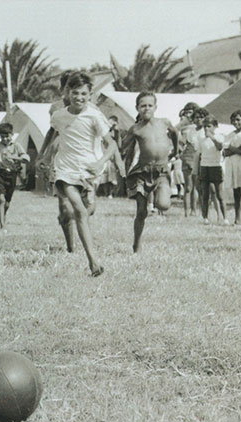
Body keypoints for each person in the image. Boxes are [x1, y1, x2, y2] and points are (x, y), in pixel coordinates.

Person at [38, 72, 115, 276]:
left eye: (83, 94)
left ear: (90, 95)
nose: (79, 98)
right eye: (75, 93)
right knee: (80, 211)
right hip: (65, 170)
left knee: (88, 209)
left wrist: (100, 161)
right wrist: (43, 156)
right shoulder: (59, 116)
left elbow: (112, 144)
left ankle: (88, 201)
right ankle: (94, 263)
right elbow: (52, 132)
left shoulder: (94, 116)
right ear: (67, 93)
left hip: (88, 171)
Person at [120, 92, 178, 253]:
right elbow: (124, 148)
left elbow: (175, 134)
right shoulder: (135, 129)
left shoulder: (164, 123)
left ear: (155, 107)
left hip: (161, 172)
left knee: (163, 205)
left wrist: (176, 151)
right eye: (143, 106)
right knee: (141, 211)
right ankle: (136, 244)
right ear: (137, 108)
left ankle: (159, 202)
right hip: (142, 172)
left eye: (149, 105)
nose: (146, 108)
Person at [0, 122, 29, 231]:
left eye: (7, 136)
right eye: (2, 136)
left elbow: (26, 159)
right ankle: (2, 226)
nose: (4, 139)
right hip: (0, 173)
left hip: (12, 175)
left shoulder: (16, 146)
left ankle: (3, 217)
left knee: (7, 202)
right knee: (1, 199)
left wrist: (14, 157)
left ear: (12, 134)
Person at [198, 116, 227, 224]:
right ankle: (205, 217)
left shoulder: (219, 137)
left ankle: (225, 218)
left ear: (215, 127)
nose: (206, 129)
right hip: (205, 167)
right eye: (204, 126)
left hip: (216, 166)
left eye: (209, 126)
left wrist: (212, 137)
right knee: (205, 194)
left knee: (219, 194)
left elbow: (220, 147)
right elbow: (200, 155)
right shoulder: (201, 140)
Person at [177, 103, 200, 217]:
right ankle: (186, 211)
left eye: (190, 112)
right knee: (188, 186)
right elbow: (180, 142)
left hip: (196, 155)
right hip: (187, 156)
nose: (188, 115)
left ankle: (194, 210)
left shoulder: (199, 127)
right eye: (186, 112)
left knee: (195, 186)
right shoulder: (183, 127)